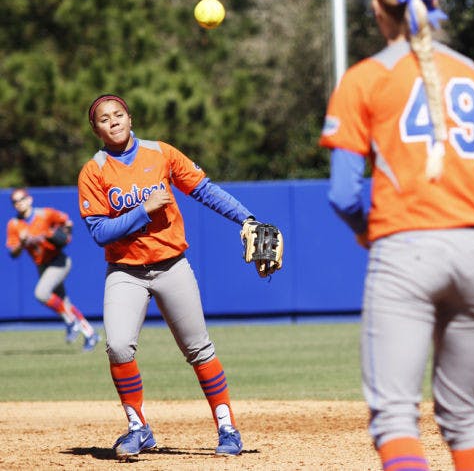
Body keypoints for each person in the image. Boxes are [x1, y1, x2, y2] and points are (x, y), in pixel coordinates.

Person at [319, 0, 474, 470]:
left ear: (379, 10)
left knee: (395, 419)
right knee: (464, 418)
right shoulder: (472, 73)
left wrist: (365, 229)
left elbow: (341, 193)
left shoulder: (366, 77)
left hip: (407, 247)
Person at [78, 94, 279, 459]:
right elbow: (99, 233)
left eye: (118, 114)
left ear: (130, 117)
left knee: (198, 348)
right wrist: (143, 210)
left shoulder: (160, 153)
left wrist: (247, 218)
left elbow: (205, 190)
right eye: (104, 119)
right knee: (119, 345)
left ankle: (227, 427)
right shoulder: (94, 171)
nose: (113, 122)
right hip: (125, 271)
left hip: (171, 265)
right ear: (96, 129)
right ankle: (138, 426)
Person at [5, 188, 100, 352]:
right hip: (41, 265)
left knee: (41, 293)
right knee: (64, 303)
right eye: (15, 201)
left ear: (29, 199)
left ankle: (70, 321)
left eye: (21, 199)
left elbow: (67, 222)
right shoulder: (14, 225)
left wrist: (65, 235)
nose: (19, 203)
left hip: (58, 261)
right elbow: (13, 253)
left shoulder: (45, 214)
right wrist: (21, 243)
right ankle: (91, 334)